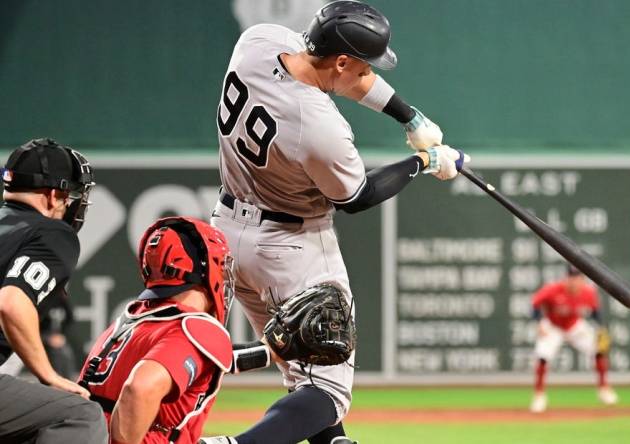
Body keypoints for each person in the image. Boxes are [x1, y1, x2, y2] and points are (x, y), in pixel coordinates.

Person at [206, 1, 468, 443]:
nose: (368, 75)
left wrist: (409, 115)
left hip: (229, 235)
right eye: (363, 66)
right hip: (291, 248)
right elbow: (356, 196)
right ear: (343, 60)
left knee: (304, 378)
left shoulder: (257, 42)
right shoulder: (319, 125)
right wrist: (423, 160)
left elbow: (337, 76)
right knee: (325, 390)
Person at [79, 217, 238, 443]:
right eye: (220, 265)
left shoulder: (132, 317)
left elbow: (183, 357)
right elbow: (139, 388)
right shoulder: (199, 327)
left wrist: (269, 351)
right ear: (206, 269)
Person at [0, 138, 107, 443]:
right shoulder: (51, 232)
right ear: (51, 195)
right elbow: (11, 303)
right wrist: (48, 375)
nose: (70, 203)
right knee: (80, 415)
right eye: (68, 195)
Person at [529, 265, 618, 413]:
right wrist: (539, 324)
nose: (574, 281)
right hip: (553, 325)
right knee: (542, 356)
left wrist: (601, 328)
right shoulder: (553, 289)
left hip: (574, 325)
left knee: (599, 349)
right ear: (566, 278)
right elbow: (535, 304)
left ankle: (604, 389)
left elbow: (596, 312)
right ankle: (539, 396)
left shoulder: (588, 292)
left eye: (577, 278)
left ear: (582, 280)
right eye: (571, 278)